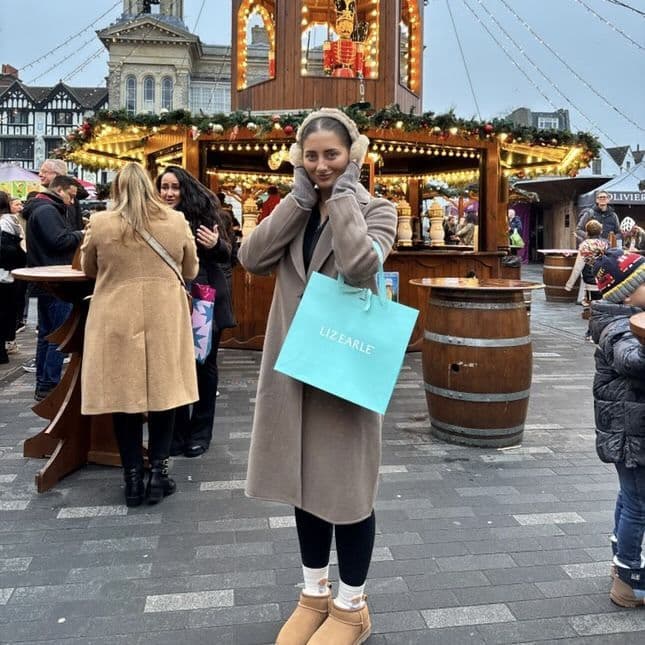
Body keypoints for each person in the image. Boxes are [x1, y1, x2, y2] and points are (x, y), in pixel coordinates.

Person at [239, 108, 397, 645]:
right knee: (302, 486)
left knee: (348, 491)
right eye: (311, 156)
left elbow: (359, 266)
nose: (322, 164)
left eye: (332, 154)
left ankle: (352, 607)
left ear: (353, 155)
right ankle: (313, 594)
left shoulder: (378, 210)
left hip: (345, 372)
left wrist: (345, 195)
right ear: (298, 159)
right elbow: (251, 257)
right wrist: (299, 200)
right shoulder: (296, 210)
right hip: (293, 369)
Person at [80, 162, 199, 507]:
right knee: (165, 393)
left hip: (115, 314)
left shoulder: (100, 223)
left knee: (124, 397)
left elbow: (89, 268)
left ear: (117, 189)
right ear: (150, 187)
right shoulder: (175, 221)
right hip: (165, 316)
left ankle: (132, 479)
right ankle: (158, 474)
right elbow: (190, 269)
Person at [157, 166, 236, 458]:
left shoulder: (206, 216)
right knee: (174, 366)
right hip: (168, 299)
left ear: (185, 189)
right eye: (164, 187)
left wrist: (216, 245)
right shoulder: (155, 218)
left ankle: (200, 433)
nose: (168, 193)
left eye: (174, 187)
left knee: (203, 366)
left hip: (203, 299)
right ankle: (176, 434)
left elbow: (230, 256)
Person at [589, 248, 645, 608]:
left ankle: (620, 560)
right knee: (638, 504)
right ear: (626, 294)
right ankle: (629, 580)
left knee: (631, 497)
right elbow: (632, 362)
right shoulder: (620, 327)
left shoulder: (628, 320)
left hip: (631, 431)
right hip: (630, 436)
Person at [24, 175, 82, 401]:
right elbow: (58, 241)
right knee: (58, 336)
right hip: (56, 282)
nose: (72, 202)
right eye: (70, 196)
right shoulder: (47, 211)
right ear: (59, 190)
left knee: (47, 335)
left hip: (46, 281)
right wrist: (80, 234)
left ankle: (44, 384)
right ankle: (49, 384)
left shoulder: (42, 208)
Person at [565, 220, 609, 340]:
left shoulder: (584, 246)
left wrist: (569, 285)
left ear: (587, 232)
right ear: (600, 231)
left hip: (590, 282)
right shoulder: (605, 244)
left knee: (592, 309)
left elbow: (578, 267)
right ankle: (602, 332)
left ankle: (591, 333)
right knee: (603, 308)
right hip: (604, 281)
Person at [0, 192, 27, 364]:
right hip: (9, 274)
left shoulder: (4, 223)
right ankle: (5, 346)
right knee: (6, 312)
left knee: (4, 312)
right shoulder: (13, 222)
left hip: (4, 274)